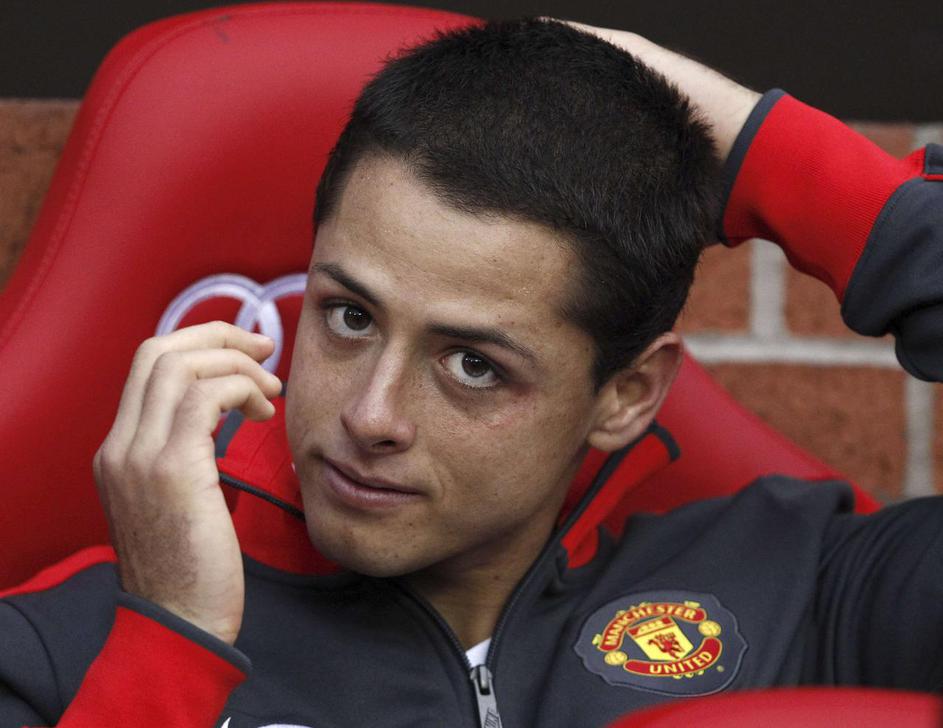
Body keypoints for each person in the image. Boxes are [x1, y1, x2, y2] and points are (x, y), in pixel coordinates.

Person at [2, 16, 942, 728]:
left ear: (625, 395)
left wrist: (763, 150)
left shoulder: (805, 591)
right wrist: (170, 643)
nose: (370, 415)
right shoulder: (56, 649)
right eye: (349, 316)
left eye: (472, 365)